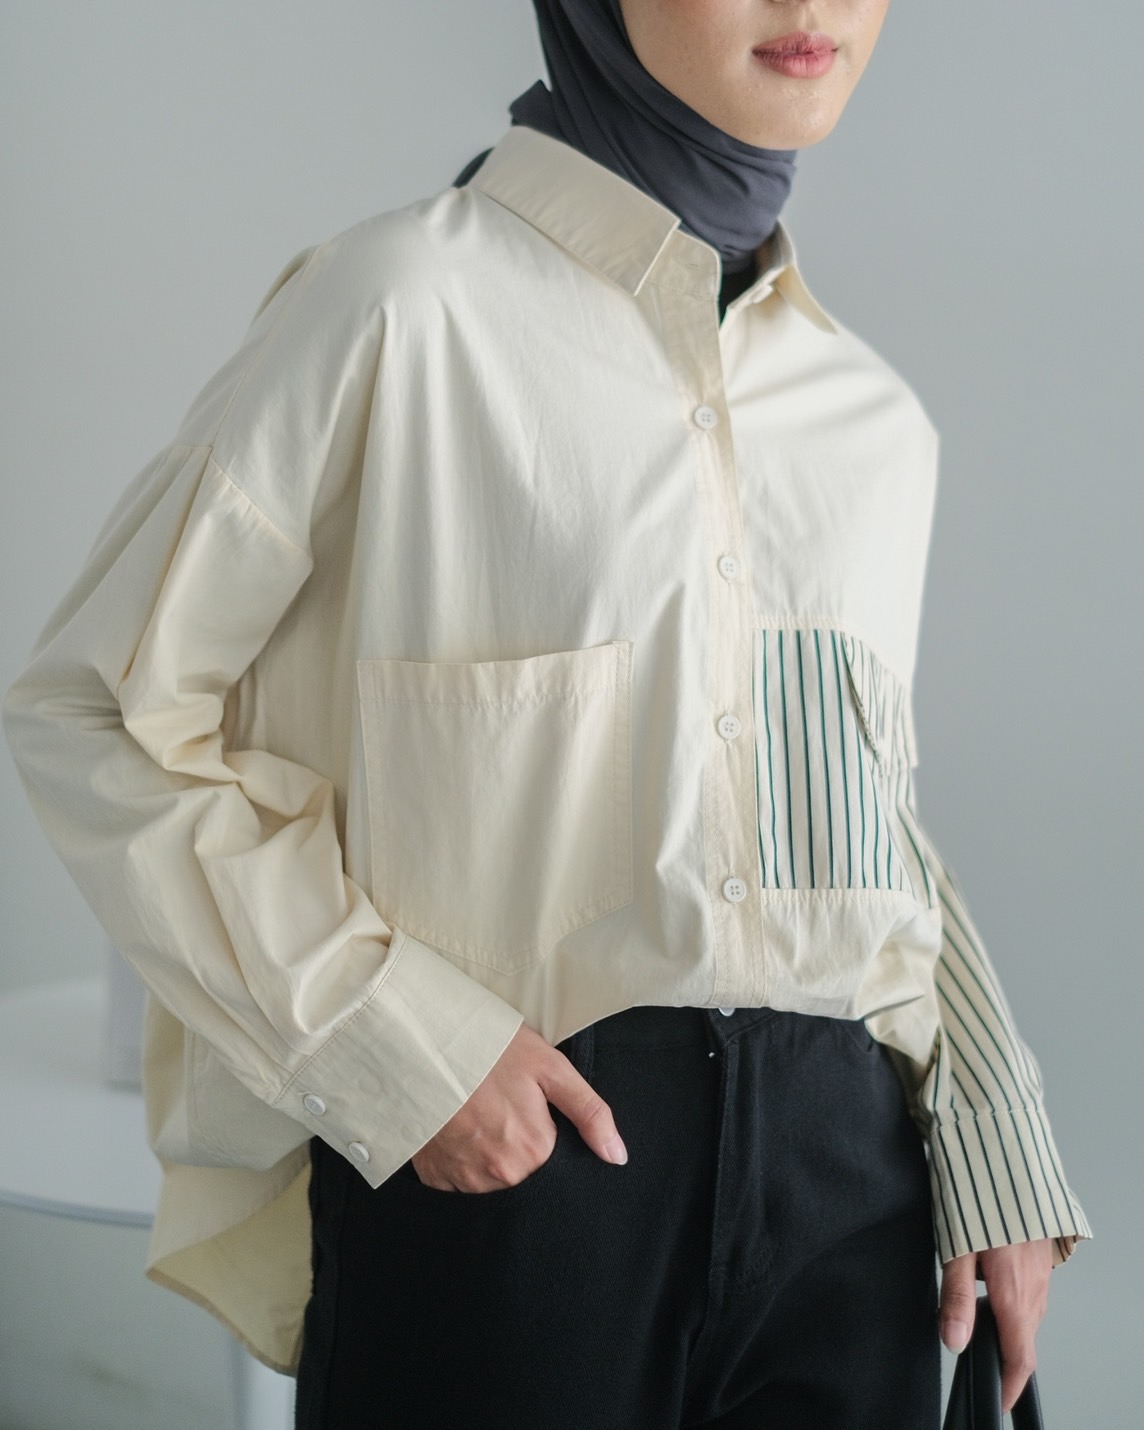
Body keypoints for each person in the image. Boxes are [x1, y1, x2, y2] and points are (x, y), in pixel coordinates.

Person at [2, 1, 1091, 1426]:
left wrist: (997, 1125)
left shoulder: (873, 422)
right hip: (518, 1189)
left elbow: (861, 827)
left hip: (855, 1210)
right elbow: (96, 706)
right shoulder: (399, 308)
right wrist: (399, 1048)